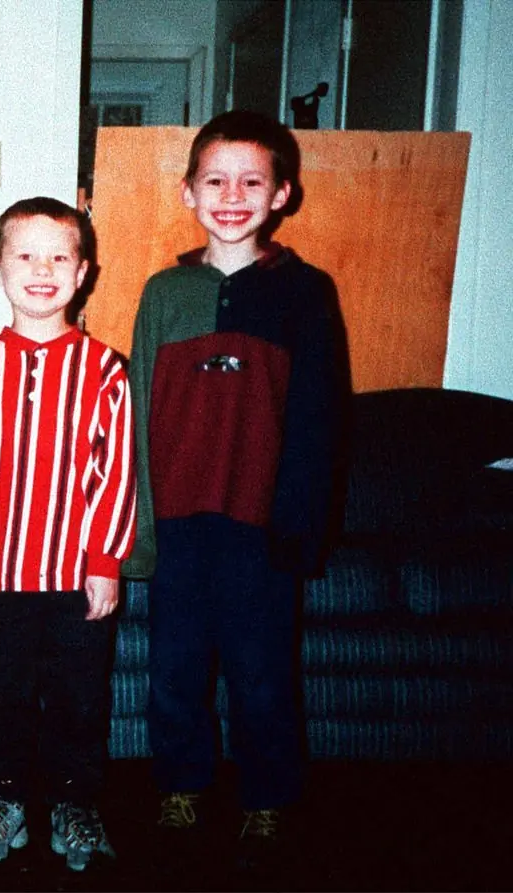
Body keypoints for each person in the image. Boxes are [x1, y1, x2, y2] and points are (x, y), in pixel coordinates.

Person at [122, 109, 350, 862]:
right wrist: (140, 528)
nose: (232, 194)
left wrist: (300, 520)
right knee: (176, 663)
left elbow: (322, 416)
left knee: (262, 668)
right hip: (182, 519)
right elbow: (139, 414)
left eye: (253, 181)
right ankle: (180, 784)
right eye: (215, 180)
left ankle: (268, 796)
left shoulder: (306, 292)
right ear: (188, 192)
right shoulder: (163, 292)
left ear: (282, 193)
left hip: (262, 521)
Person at [0, 197, 137, 873]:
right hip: (0, 574)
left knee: (81, 696)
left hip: (76, 578)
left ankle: (74, 801)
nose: (42, 269)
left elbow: (114, 473)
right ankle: (0, 800)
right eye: (24, 255)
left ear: (83, 272)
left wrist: (105, 561)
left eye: (60, 256)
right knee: (2, 695)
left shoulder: (105, 368)